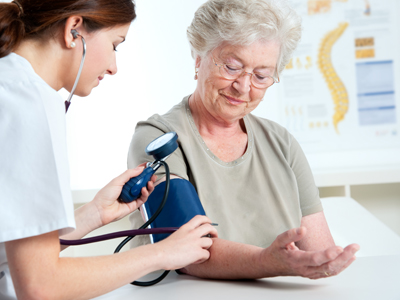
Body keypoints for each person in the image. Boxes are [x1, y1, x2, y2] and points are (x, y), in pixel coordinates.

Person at [127, 0, 360, 280]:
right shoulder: (158, 138)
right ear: (199, 57)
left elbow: (319, 254)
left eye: (261, 76)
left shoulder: (281, 143)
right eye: (232, 67)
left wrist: (326, 263)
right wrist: (267, 261)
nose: (244, 87)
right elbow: (186, 251)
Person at [0, 0, 217, 299]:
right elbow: (40, 286)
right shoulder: (29, 103)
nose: (114, 67)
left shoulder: (10, 85)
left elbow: (13, 252)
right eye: (116, 44)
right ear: (74, 30)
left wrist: (94, 214)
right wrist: (163, 253)